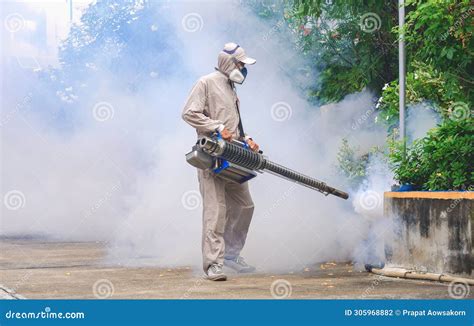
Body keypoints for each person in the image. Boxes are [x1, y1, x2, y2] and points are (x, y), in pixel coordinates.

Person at [182, 43, 259, 281]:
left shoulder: (230, 86)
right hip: (212, 158)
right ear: (228, 63)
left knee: (245, 206)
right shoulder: (205, 82)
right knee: (215, 212)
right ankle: (214, 263)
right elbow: (189, 113)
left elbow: (232, 124)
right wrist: (216, 127)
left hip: (233, 156)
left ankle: (231, 256)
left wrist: (246, 138)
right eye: (240, 64)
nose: (243, 69)